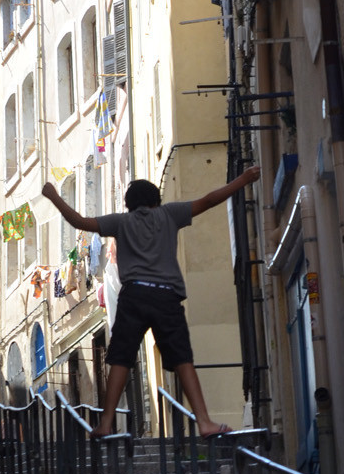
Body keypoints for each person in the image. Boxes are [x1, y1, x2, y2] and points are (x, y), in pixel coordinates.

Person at [43, 165, 260, 439]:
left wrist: (54, 196)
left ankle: (106, 423)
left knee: (120, 359)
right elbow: (208, 200)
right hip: (165, 296)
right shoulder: (169, 213)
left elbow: (80, 222)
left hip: (133, 295)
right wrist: (243, 179)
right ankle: (205, 422)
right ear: (156, 200)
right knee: (182, 359)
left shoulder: (121, 222)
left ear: (129, 204)